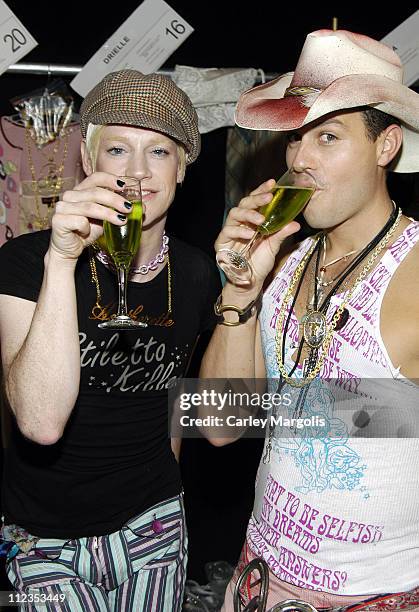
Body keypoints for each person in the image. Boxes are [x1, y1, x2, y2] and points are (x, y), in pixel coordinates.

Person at [201, 30, 419, 610]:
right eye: (296, 138)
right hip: (259, 576)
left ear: (385, 145)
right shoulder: (284, 262)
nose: (300, 159)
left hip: (376, 594)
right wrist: (242, 291)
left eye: (328, 136)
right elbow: (221, 427)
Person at [0, 69, 220, 611]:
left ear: (182, 169)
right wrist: (62, 260)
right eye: (118, 148)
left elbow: (183, 406)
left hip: (155, 525)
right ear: (87, 161)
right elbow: (40, 422)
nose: (138, 172)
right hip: (45, 535)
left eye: (160, 152)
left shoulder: (196, 273)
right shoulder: (25, 263)